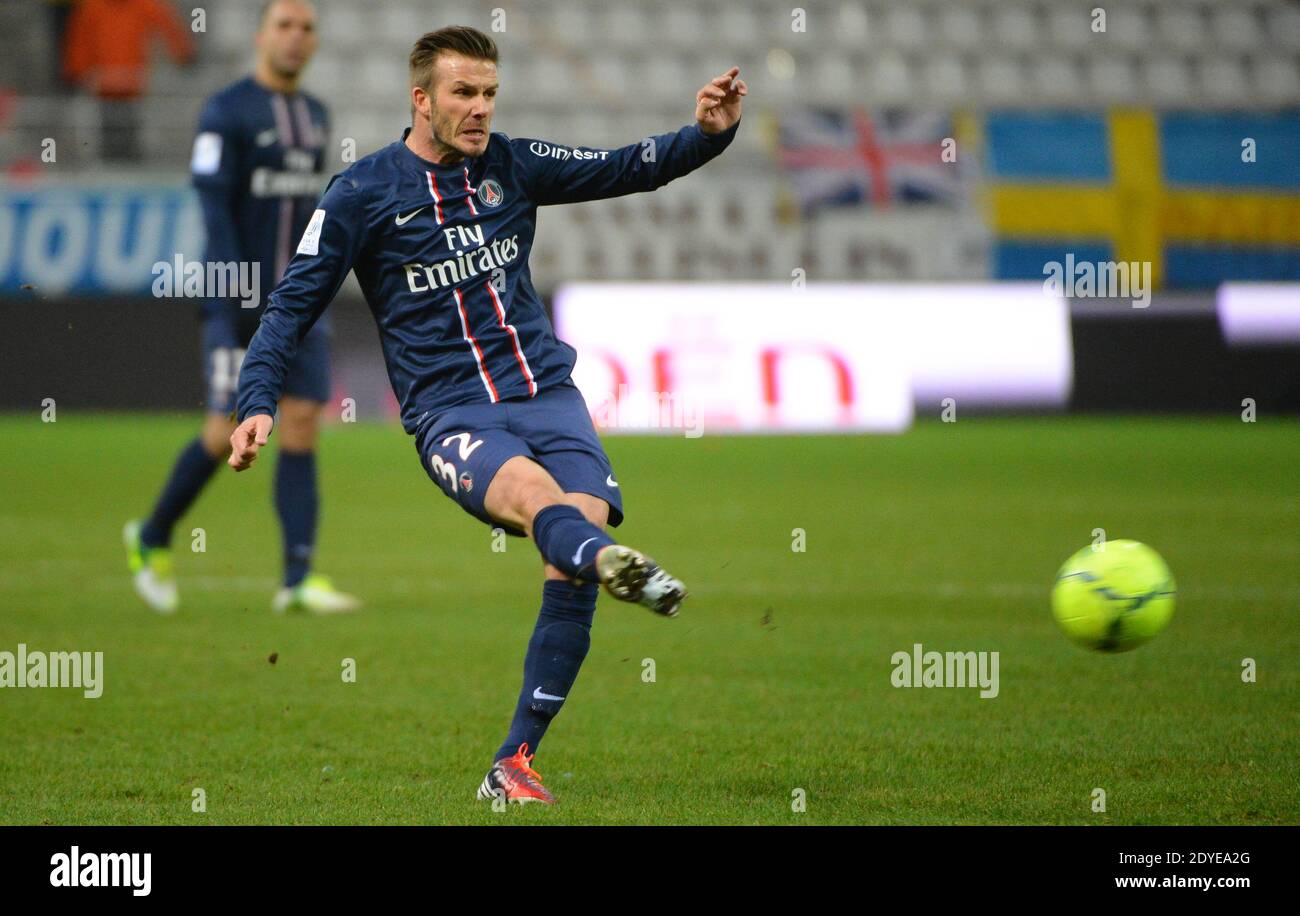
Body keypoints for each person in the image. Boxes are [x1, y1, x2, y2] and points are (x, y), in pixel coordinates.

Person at [228, 25, 745, 804]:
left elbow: (626, 168)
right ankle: (608, 562)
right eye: (463, 94)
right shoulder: (359, 195)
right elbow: (291, 304)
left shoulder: (513, 164)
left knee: (571, 534)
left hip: (547, 394)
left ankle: (513, 764)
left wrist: (706, 135)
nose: (479, 110)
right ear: (422, 99)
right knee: (547, 509)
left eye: (489, 94)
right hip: (452, 413)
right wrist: (256, 399)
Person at [125, 0, 360, 615]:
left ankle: (297, 578)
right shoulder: (224, 111)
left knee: (304, 422)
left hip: (299, 303)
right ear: (262, 35)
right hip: (236, 300)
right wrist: (237, 299)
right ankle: (150, 537)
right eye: (284, 25)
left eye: (307, 28)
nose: (296, 37)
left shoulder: (315, 115)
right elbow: (215, 213)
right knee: (222, 431)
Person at [62, 0, 196, 161]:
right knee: (109, 131)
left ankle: (129, 161)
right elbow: (80, 39)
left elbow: (167, 26)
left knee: (131, 130)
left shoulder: (143, 5)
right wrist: (75, 71)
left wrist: (183, 54)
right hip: (105, 86)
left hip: (133, 84)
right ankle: (112, 164)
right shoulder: (92, 7)